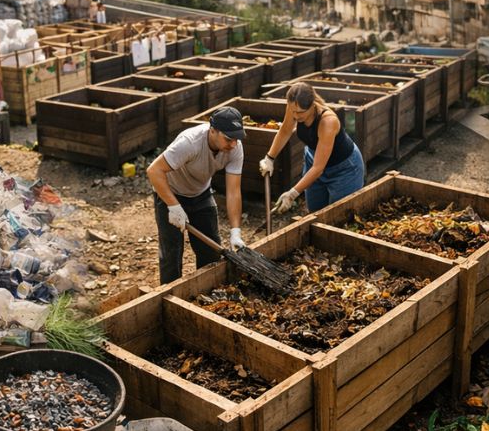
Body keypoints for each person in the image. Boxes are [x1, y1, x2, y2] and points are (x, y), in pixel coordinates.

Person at [147, 106, 246, 284]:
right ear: (213, 130)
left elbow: (233, 192)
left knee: (211, 251)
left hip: (200, 193)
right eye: (228, 139)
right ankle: (169, 297)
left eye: (237, 139)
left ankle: (207, 293)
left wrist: (235, 231)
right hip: (171, 193)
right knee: (172, 253)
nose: (233, 145)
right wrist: (174, 206)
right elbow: (154, 171)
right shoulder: (190, 143)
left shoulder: (235, 147)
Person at [261, 83, 364, 214]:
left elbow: (318, 168)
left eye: (300, 113)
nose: (296, 116)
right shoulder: (294, 106)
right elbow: (286, 130)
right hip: (314, 160)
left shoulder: (327, 121)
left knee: (338, 215)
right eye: (293, 111)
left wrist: (292, 194)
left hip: (344, 169)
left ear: (312, 105)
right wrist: (269, 157)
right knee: (315, 212)